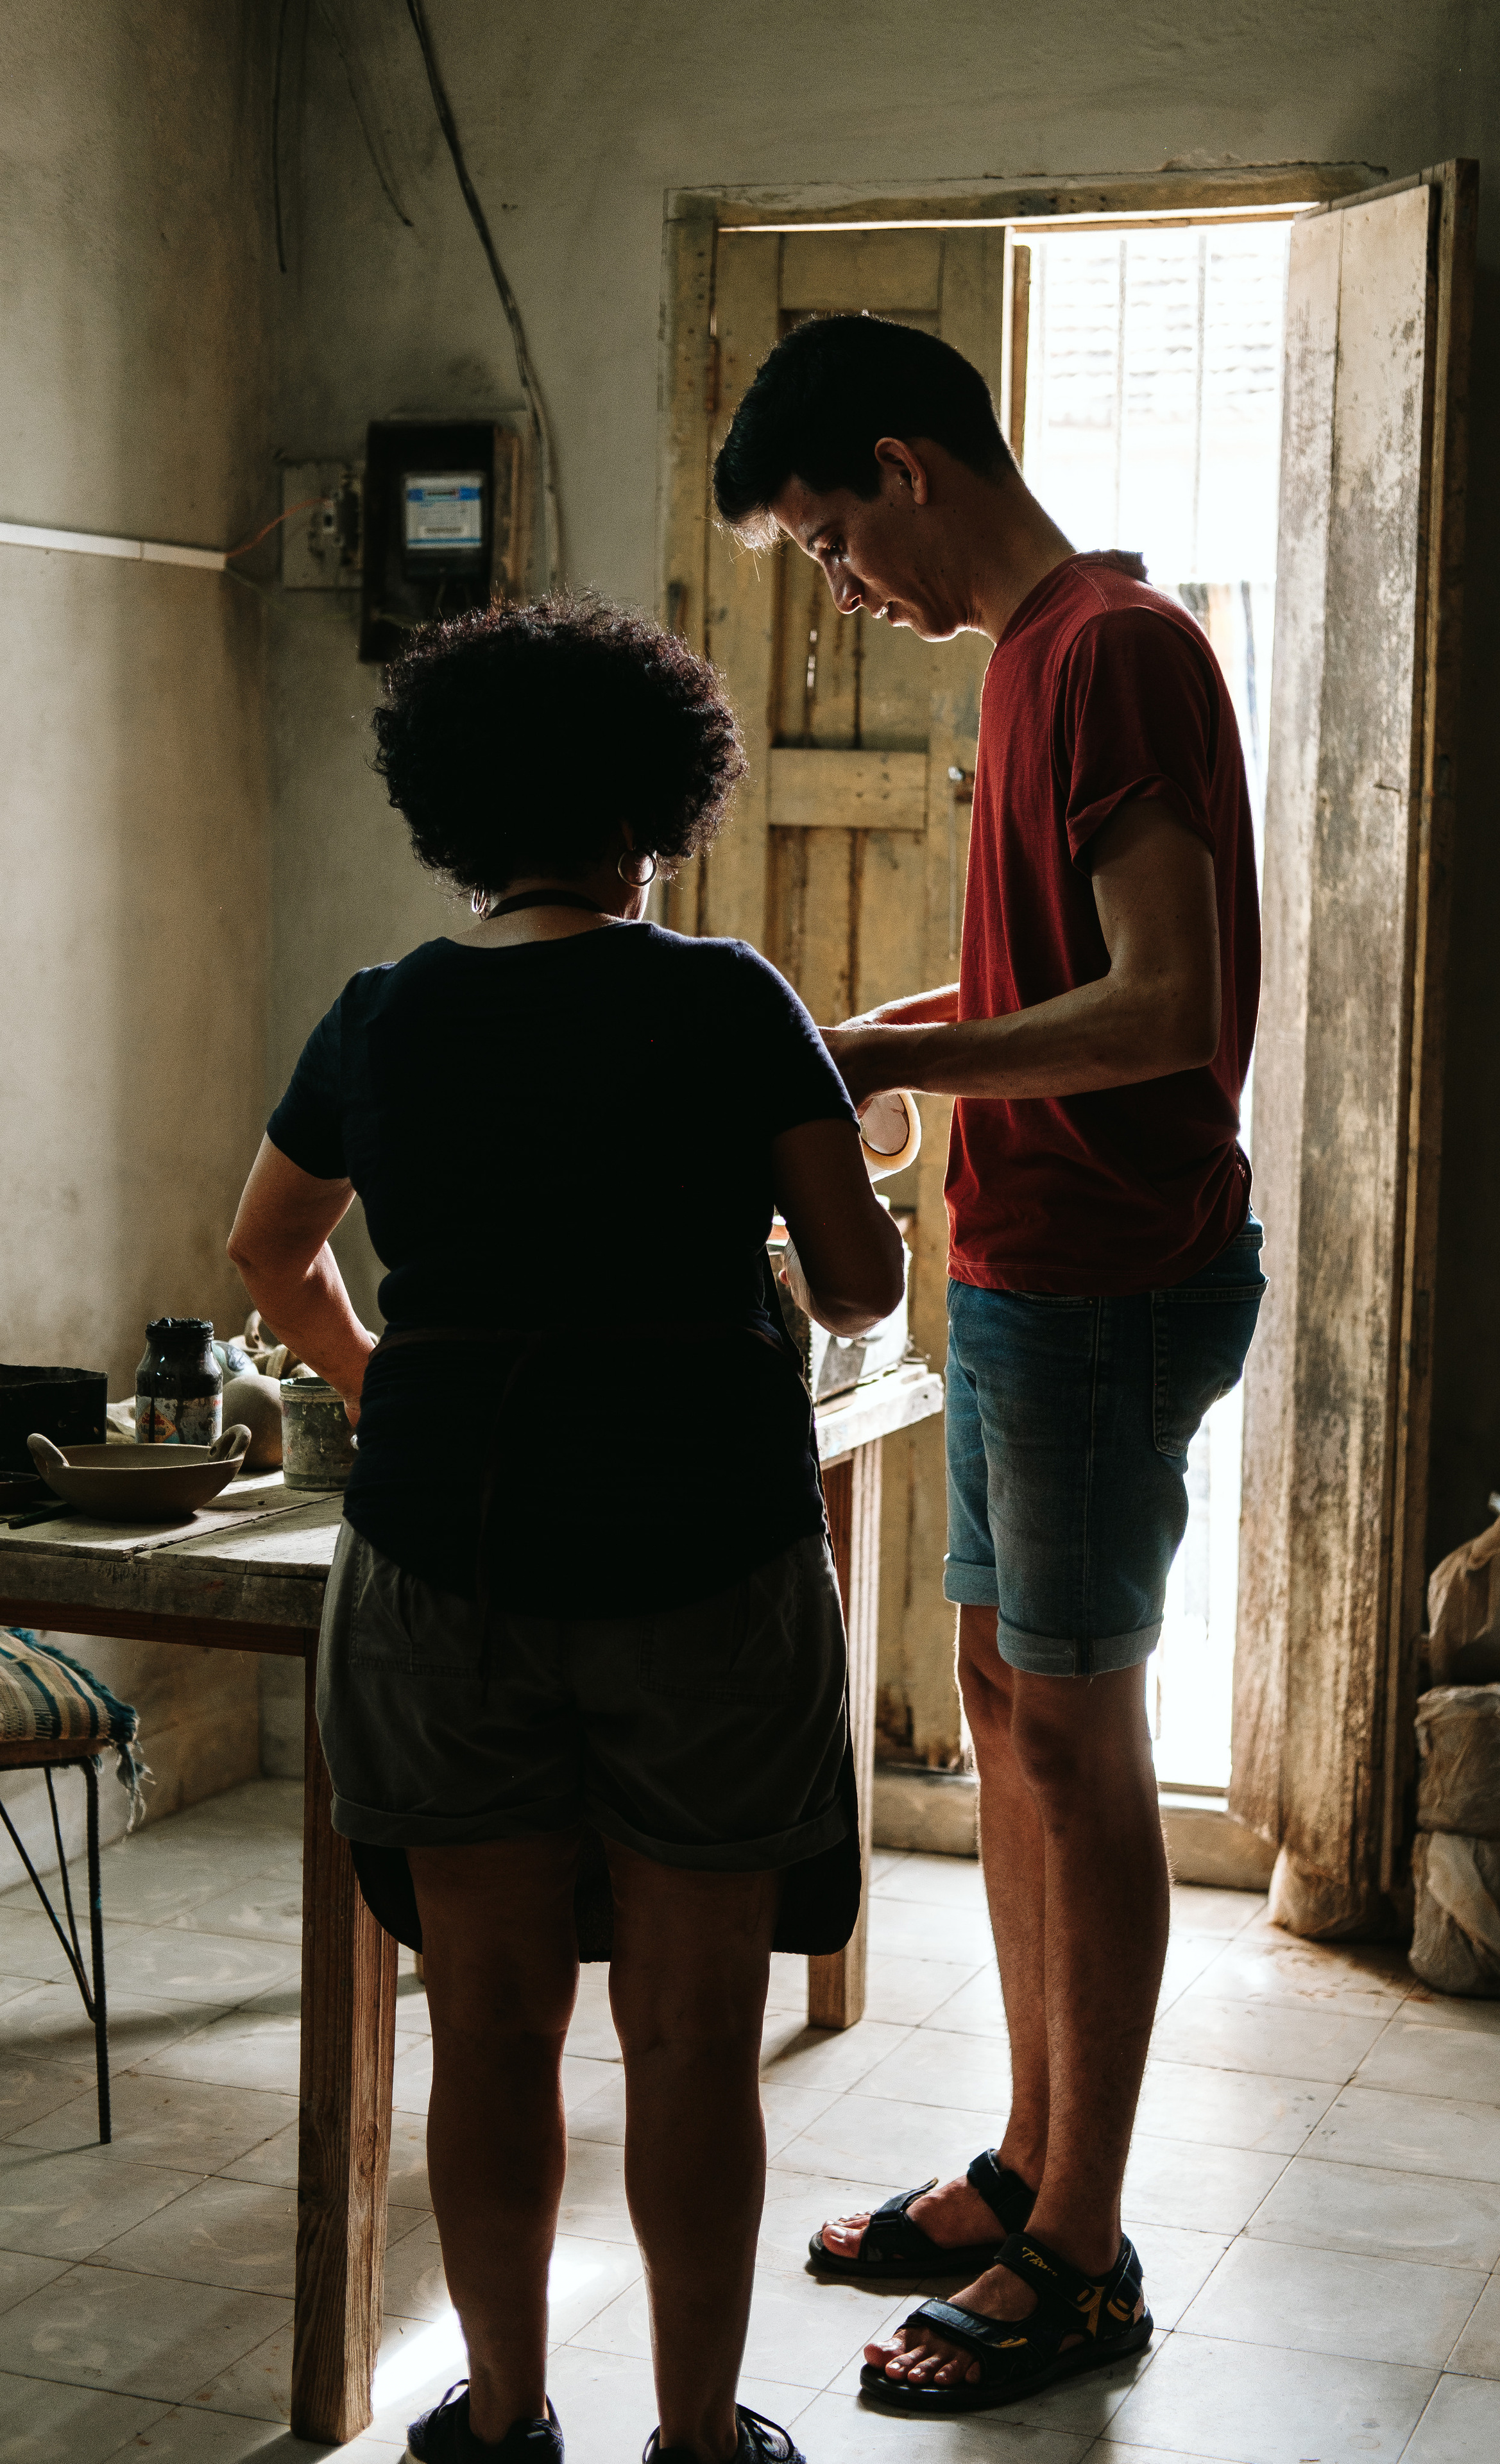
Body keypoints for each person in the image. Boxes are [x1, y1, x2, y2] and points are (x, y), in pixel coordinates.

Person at [225, 594, 905, 2464]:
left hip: (445, 1572)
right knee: (690, 2038)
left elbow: (267, 1253)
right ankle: (697, 2444)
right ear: (654, 806)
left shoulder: (383, 1016)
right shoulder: (725, 996)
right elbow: (854, 1287)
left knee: (492, 2029)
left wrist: (394, 1388)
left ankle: (507, 2419)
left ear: (454, 812)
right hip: (703, 1563)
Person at [712, 315, 1265, 2418]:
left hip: (1111, 1272)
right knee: (1003, 1709)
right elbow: (1061, 971)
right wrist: (894, 1022)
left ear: (902, 464)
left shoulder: (1115, 648)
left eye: (833, 540)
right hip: (1031, 1259)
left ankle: (1086, 2253)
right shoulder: (1039, 663)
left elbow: (1166, 1008)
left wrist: (885, 1056)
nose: (845, 591)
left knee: (1076, 1743)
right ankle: (1033, 2158)